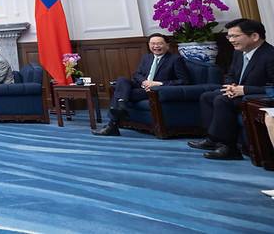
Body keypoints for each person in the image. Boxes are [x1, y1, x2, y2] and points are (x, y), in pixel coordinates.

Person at [188, 18, 274, 159]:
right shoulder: (238, 52)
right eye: (229, 36)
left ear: (254, 36)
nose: (231, 40)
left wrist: (245, 90)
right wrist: (231, 85)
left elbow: (272, 87)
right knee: (207, 96)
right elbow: (230, 74)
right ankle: (212, 140)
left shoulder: (270, 55)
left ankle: (229, 148)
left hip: (258, 98)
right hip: (238, 93)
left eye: (235, 36)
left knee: (222, 100)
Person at [92, 33, 188, 136]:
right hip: (142, 86)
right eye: (153, 44)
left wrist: (157, 83)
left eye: (159, 44)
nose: (156, 46)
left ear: (167, 45)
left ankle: (113, 124)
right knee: (122, 80)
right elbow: (136, 74)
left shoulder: (175, 59)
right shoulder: (147, 57)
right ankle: (121, 105)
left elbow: (184, 80)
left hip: (155, 90)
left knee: (121, 93)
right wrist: (144, 82)